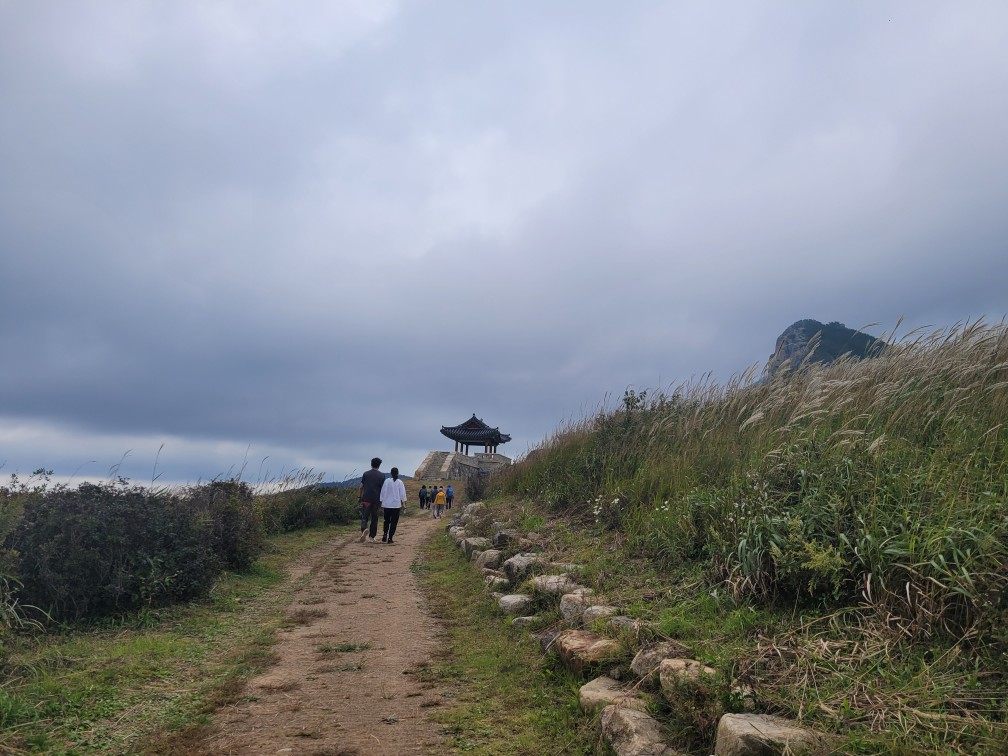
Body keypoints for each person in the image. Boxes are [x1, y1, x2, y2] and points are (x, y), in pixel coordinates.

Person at [358, 457, 384, 543]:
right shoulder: (382, 475)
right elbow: (383, 489)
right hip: (377, 500)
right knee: (374, 518)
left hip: (366, 499)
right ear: (379, 465)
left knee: (364, 517)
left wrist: (359, 497)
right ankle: (372, 537)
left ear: (371, 464)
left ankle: (364, 529)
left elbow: (361, 487)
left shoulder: (366, 474)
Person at [380, 467, 407, 544]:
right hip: (396, 505)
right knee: (394, 522)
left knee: (386, 521)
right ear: (397, 473)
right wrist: (404, 502)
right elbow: (402, 494)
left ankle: (385, 534)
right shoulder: (400, 482)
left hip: (387, 504)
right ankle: (390, 538)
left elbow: (383, 491)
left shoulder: (387, 481)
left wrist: (381, 500)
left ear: (391, 473)